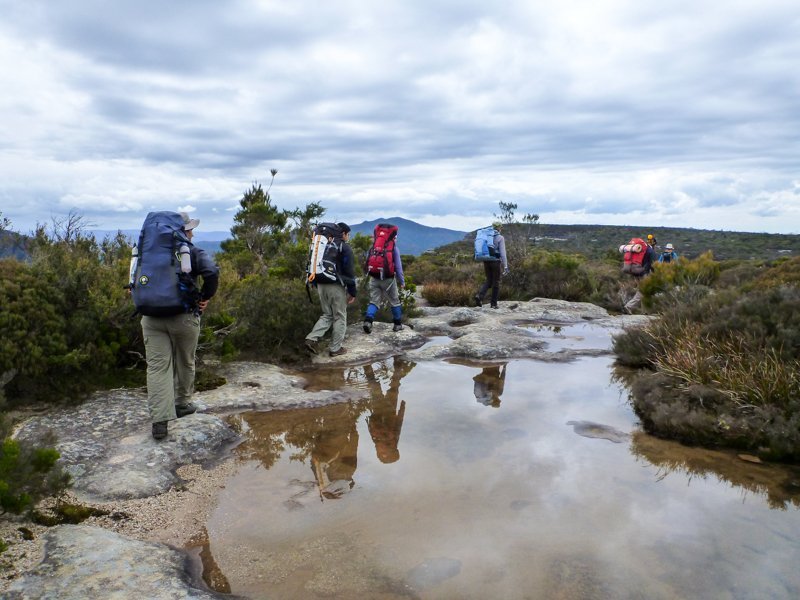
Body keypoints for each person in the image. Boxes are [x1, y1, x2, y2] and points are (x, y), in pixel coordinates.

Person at [142, 212, 219, 440]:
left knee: (157, 367)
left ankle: (160, 421)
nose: (192, 233)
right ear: (182, 231)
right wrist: (205, 297)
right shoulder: (191, 251)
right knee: (185, 360)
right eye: (190, 229)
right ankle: (182, 404)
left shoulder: (147, 253)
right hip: (184, 315)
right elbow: (211, 272)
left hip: (150, 317)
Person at [305, 222, 357, 357]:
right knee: (339, 316)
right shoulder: (343, 247)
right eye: (348, 234)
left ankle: (312, 338)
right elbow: (349, 272)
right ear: (343, 234)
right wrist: (352, 291)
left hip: (320, 283)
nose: (348, 237)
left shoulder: (323, 246)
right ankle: (335, 349)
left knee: (327, 314)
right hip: (335, 285)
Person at [364, 358, 415, 463]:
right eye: (382, 453)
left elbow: (371, 427)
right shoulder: (393, 439)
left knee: (375, 386)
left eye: (380, 453)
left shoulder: (378, 440)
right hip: (389, 409)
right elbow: (399, 423)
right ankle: (398, 361)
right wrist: (402, 408)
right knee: (394, 385)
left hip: (377, 411)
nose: (379, 450)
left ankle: (366, 363)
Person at [363, 227, 406, 333]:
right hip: (388, 279)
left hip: (374, 278)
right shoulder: (393, 248)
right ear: (393, 237)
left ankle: (368, 321)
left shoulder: (374, 247)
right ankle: (397, 324)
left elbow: (368, 262)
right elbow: (399, 267)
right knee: (394, 301)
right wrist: (402, 281)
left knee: (374, 301)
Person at [474, 222, 509, 309]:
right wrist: (505, 266)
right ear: (499, 228)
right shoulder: (500, 237)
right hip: (496, 262)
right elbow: (503, 253)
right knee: (496, 282)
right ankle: (493, 304)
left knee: (489, 280)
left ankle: (479, 296)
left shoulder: (485, 236)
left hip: (486, 261)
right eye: (501, 227)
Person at [623, 235, 656, 313]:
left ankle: (645, 311)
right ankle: (629, 306)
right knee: (643, 291)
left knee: (646, 291)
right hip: (644, 273)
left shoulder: (642, 250)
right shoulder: (651, 251)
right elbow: (653, 264)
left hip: (636, 271)